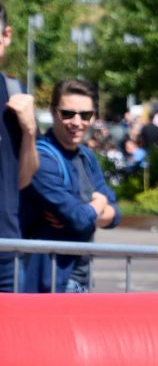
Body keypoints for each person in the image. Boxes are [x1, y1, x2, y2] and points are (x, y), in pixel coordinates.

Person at [20, 79, 120, 293]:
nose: (77, 122)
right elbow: (78, 220)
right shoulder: (41, 159)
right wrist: (97, 204)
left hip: (82, 280)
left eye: (86, 115)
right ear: (53, 112)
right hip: (50, 283)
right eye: (67, 113)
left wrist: (90, 209)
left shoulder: (86, 156)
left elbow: (114, 214)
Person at [0, 3, 39, 292]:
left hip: (5, 248)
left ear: (6, 35)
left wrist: (29, 130)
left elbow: (23, 179)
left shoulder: (14, 94)